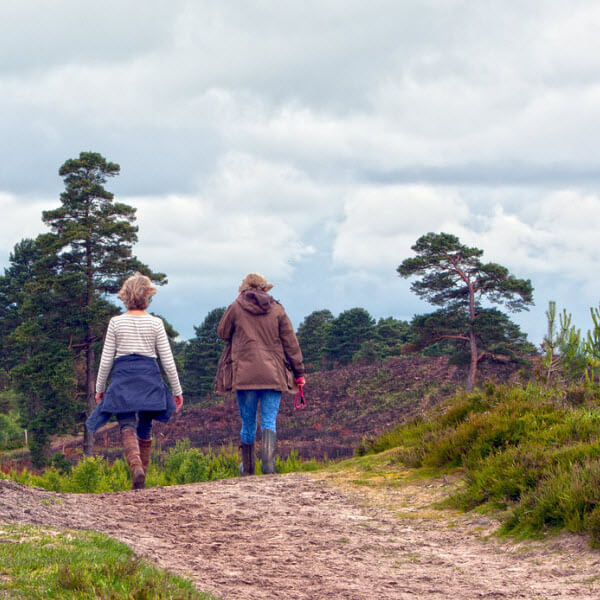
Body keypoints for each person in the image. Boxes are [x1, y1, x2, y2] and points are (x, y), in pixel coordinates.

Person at [86, 272, 183, 489]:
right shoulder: (156, 324)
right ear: (147, 296)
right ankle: (141, 480)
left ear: (125, 297)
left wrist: (100, 388)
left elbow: (106, 360)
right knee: (146, 425)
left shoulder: (116, 323)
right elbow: (168, 361)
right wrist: (177, 391)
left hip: (123, 378)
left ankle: (135, 465)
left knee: (126, 424)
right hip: (149, 378)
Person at [215, 273, 305, 475]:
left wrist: (236, 303)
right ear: (265, 289)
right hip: (273, 373)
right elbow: (291, 343)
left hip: (245, 374)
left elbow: (222, 332)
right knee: (269, 420)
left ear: (243, 289)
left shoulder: (237, 308)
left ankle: (247, 467)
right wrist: (299, 373)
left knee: (248, 421)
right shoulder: (277, 309)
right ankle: (268, 464)